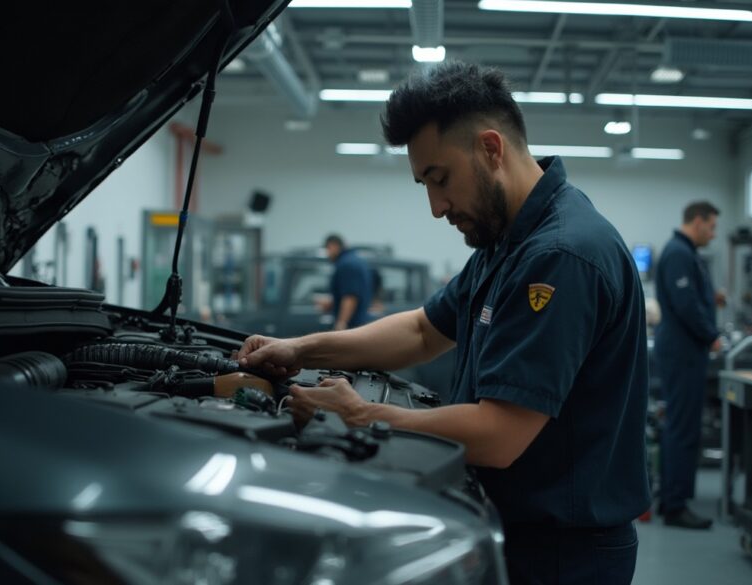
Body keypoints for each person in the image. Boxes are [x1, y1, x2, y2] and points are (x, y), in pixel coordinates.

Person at [238, 62, 649, 585]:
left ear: (491, 149)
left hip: (561, 554)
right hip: (523, 530)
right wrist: (300, 349)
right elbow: (422, 331)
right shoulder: (510, 241)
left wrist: (363, 416)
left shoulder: (561, 255)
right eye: (424, 185)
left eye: (440, 179)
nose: (436, 207)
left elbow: (500, 435)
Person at [654, 201, 722, 530]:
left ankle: (674, 497)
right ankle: (674, 504)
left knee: (683, 427)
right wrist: (712, 335)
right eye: (711, 226)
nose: (713, 233)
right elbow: (686, 304)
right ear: (697, 221)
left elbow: (692, 297)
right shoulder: (679, 253)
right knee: (682, 429)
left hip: (685, 352)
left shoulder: (684, 252)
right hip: (683, 352)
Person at [318, 235, 373, 331]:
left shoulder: (347, 264)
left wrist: (341, 323)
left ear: (334, 246)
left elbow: (350, 296)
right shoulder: (355, 260)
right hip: (360, 323)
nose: (327, 254)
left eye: (328, 249)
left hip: (352, 326)